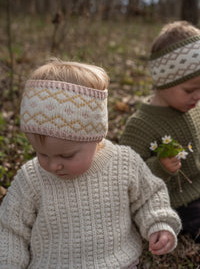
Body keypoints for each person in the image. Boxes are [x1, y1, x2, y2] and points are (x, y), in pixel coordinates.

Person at [0, 59, 181, 269]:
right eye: (42, 153)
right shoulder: (31, 177)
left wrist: (158, 224)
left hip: (119, 263)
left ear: (96, 136)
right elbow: (10, 229)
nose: (52, 165)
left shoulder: (123, 163)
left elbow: (149, 196)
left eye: (66, 156)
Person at [120, 21, 200, 243]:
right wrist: (160, 166)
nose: (198, 96)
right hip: (175, 201)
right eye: (190, 90)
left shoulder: (195, 107)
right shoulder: (142, 124)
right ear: (164, 81)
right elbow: (126, 176)